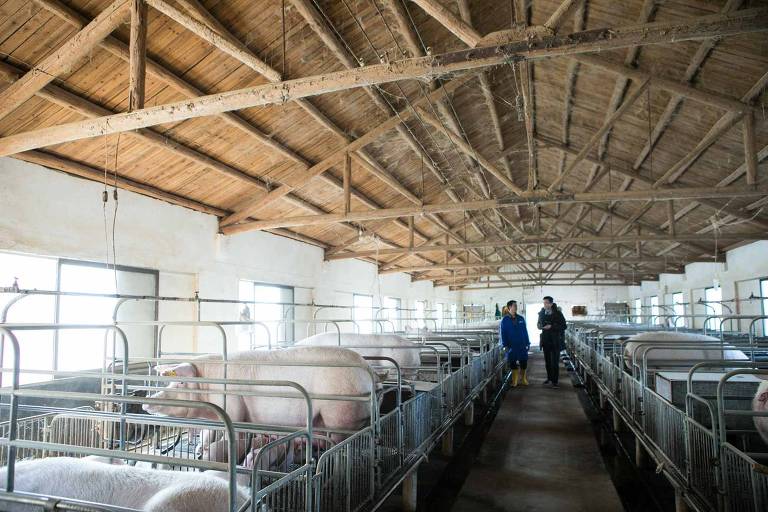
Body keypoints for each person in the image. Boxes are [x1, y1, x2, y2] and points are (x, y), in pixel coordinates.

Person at [499, 300, 530, 387]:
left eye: (516, 306)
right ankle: (515, 381)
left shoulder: (521, 318)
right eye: (514, 306)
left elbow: (525, 331)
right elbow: (503, 333)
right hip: (511, 345)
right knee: (512, 362)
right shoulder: (504, 320)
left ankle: (523, 379)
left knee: (524, 361)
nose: (516, 307)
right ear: (509, 307)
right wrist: (505, 345)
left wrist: (527, 342)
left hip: (521, 343)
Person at [538, 296, 566, 388]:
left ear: (551, 303)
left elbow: (564, 326)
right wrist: (540, 326)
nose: (545, 304)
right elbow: (538, 324)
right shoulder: (542, 313)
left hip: (555, 341)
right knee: (547, 362)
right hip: (545, 340)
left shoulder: (558, 313)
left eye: (546, 303)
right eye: (544, 303)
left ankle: (555, 381)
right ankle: (549, 378)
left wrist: (552, 327)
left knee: (555, 362)